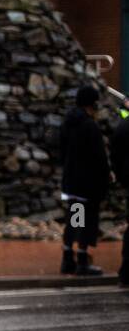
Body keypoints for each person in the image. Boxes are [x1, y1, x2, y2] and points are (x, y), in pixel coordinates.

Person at [59, 85, 110, 276]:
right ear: (92, 104)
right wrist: (106, 177)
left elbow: (61, 152)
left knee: (73, 220)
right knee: (85, 222)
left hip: (71, 182)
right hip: (86, 186)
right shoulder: (90, 126)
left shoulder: (68, 123)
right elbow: (99, 158)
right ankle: (82, 260)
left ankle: (67, 258)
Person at [110, 102, 129, 288]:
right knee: (80, 217)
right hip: (80, 188)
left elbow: (114, 154)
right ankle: (79, 256)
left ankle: (125, 271)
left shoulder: (123, 126)